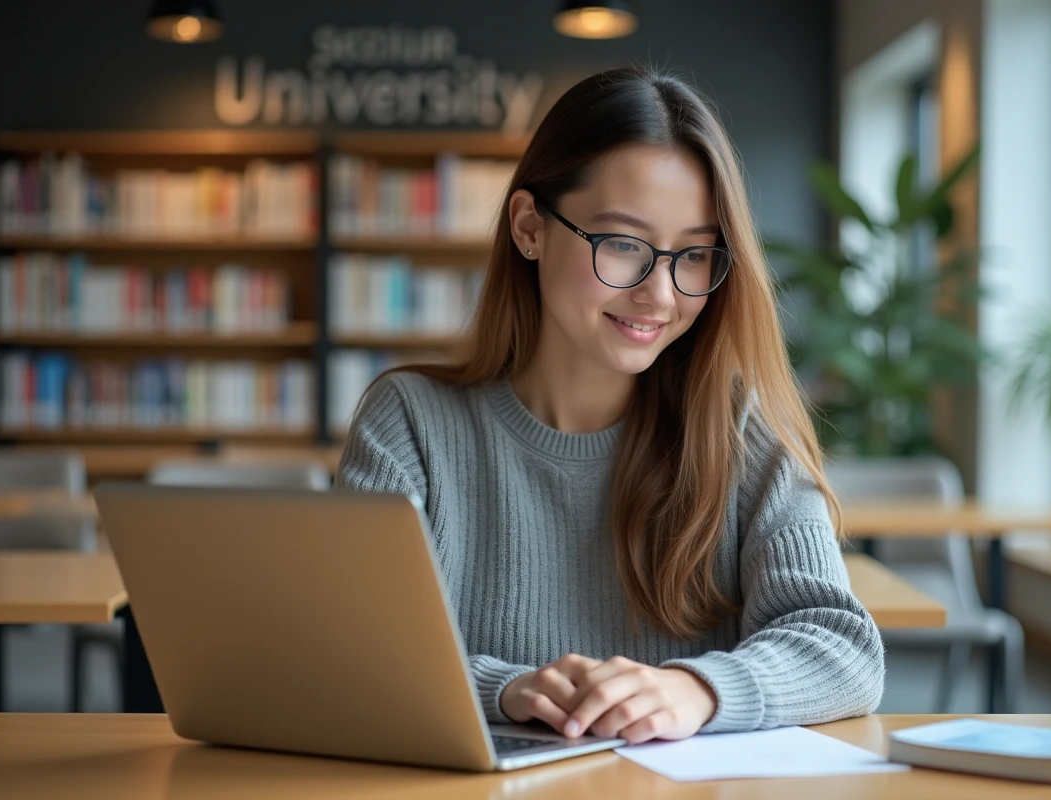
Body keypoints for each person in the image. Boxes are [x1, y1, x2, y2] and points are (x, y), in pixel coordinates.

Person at [337, 65, 884, 745]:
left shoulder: (740, 431)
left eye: (693, 255)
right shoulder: (410, 423)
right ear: (530, 227)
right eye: (623, 245)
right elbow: (352, 654)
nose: (660, 294)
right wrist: (505, 689)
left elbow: (842, 647)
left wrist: (695, 690)